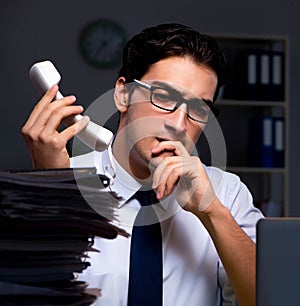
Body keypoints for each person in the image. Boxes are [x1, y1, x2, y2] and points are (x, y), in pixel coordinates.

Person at [22, 23, 264, 306]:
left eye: (198, 109)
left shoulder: (227, 193)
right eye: (163, 97)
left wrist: (212, 212)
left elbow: (271, 298)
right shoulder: (61, 176)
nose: (177, 124)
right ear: (123, 95)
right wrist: (51, 193)